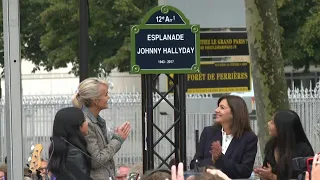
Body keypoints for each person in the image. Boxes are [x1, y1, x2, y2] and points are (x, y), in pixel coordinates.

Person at [72, 77, 131, 180]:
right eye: (106, 94)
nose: (108, 97)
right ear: (95, 100)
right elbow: (96, 160)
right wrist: (117, 140)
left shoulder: (96, 121)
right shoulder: (87, 124)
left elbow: (102, 150)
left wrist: (114, 136)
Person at [190, 95, 258, 179]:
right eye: (218, 107)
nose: (216, 110)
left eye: (222, 108)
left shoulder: (249, 138)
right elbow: (194, 164)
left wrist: (220, 158)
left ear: (234, 112)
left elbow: (245, 171)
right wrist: (213, 160)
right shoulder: (208, 132)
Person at [254, 110, 314, 180]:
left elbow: (304, 177)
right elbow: (266, 169)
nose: (268, 123)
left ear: (282, 128)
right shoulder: (271, 145)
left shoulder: (304, 150)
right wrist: (264, 173)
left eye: (272, 123)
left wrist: (272, 177)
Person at [48, 107, 91, 180]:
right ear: (76, 126)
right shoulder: (73, 153)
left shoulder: (61, 148)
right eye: (84, 120)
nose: (87, 123)